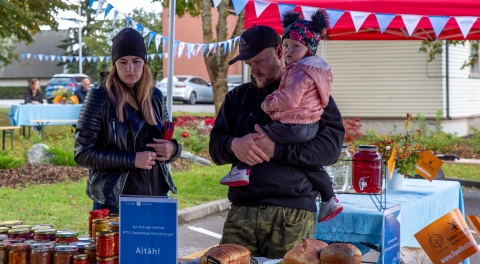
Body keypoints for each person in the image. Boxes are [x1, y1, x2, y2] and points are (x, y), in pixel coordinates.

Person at [209, 22, 345, 258]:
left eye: (259, 61)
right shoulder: (237, 97)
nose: (254, 69)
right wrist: (234, 145)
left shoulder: (313, 94)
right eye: (249, 64)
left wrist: (278, 150)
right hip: (241, 214)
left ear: (280, 52)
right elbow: (215, 148)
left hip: (293, 215)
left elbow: (330, 150)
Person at [74, 28, 182, 214]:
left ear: (144, 63)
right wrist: (132, 160)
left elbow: (166, 140)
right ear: (115, 65)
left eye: (136, 61)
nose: (130, 68)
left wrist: (172, 149)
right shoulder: (99, 97)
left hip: (155, 198)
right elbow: (83, 153)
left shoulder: (155, 96)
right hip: (114, 202)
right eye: (123, 62)